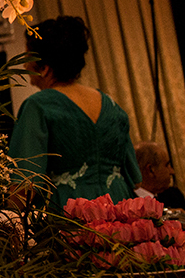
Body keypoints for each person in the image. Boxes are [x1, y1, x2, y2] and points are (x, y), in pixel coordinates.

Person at [8, 16, 142, 209]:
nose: (25, 65)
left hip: (69, 212)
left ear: (44, 68)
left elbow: (25, 186)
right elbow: (135, 179)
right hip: (118, 208)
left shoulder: (38, 106)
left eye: (27, 58)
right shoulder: (113, 107)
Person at [135, 141, 185, 208]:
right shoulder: (128, 205)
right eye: (166, 165)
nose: (172, 172)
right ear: (151, 170)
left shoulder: (174, 196)